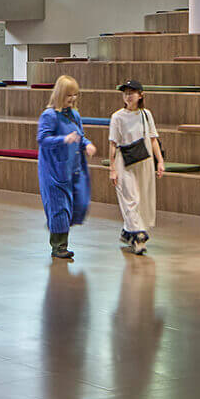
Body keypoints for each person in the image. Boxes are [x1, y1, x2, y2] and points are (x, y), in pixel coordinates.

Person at [36, 74, 95, 260]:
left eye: (75, 95)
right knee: (59, 208)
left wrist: (87, 144)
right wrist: (63, 139)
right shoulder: (49, 116)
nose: (72, 98)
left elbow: (80, 136)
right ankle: (59, 246)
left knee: (75, 205)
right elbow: (43, 139)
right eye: (69, 95)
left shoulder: (74, 115)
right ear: (60, 94)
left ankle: (60, 239)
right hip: (54, 170)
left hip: (72, 169)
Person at [108, 80, 164, 256]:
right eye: (125, 93)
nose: (128, 96)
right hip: (124, 162)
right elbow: (113, 143)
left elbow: (153, 139)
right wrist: (112, 168)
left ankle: (127, 232)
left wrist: (160, 161)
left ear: (140, 95)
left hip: (144, 161)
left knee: (142, 199)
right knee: (131, 199)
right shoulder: (117, 117)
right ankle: (139, 236)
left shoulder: (146, 114)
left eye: (131, 92)